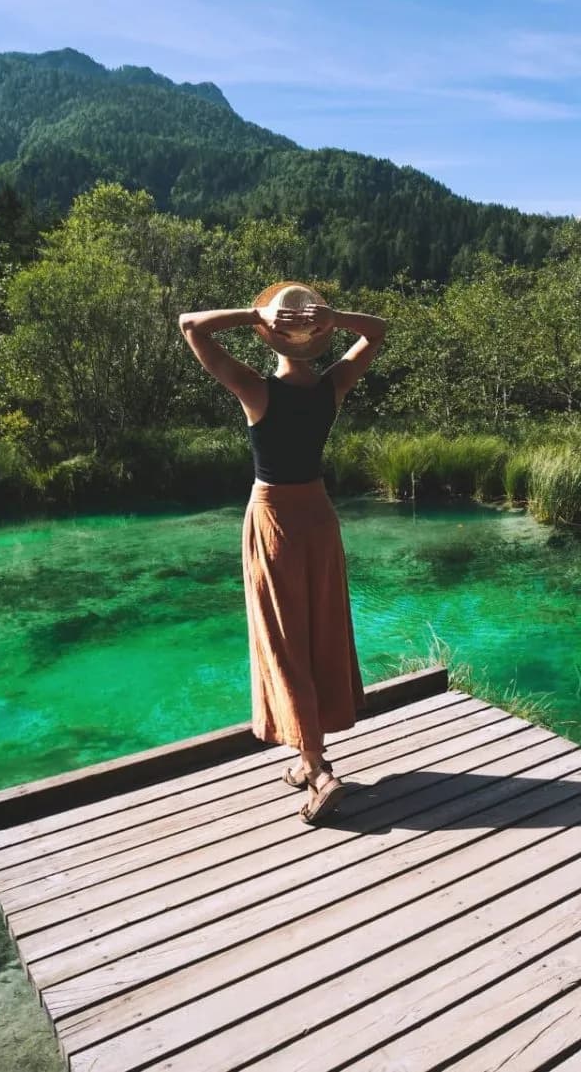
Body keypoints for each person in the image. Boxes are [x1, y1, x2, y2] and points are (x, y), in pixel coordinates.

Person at [177, 282, 387, 823]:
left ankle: (317, 770)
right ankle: (305, 756)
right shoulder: (332, 386)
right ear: (317, 335)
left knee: (283, 640)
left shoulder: (256, 391)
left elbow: (191, 324)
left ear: (270, 334)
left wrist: (253, 313)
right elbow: (378, 331)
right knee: (319, 633)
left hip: (274, 520)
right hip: (319, 517)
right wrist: (336, 317)